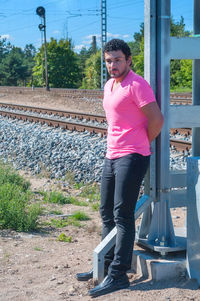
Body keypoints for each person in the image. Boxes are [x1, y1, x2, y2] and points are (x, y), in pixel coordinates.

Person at [76, 39, 164, 297]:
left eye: (117, 59)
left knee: (122, 215)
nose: (112, 65)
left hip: (132, 156)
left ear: (128, 60)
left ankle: (119, 274)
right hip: (111, 155)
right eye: (108, 60)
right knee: (106, 212)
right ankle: (103, 266)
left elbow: (157, 120)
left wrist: (139, 143)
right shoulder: (109, 85)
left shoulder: (137, 85)